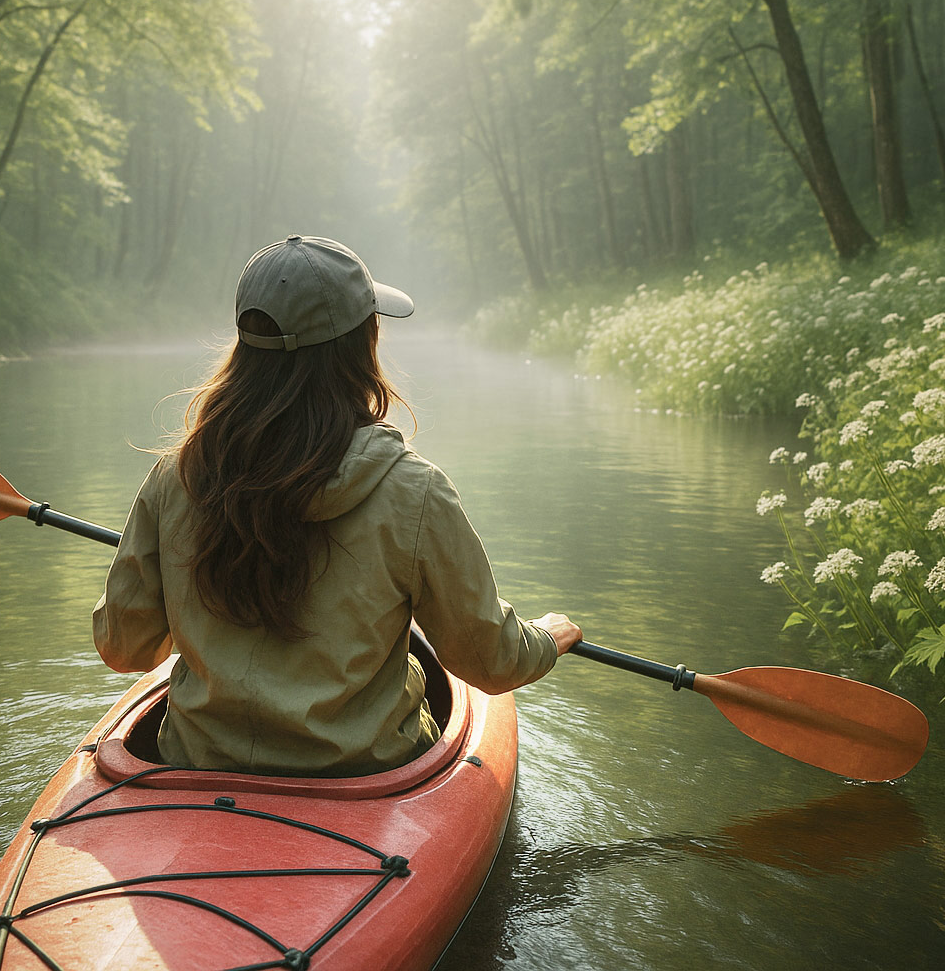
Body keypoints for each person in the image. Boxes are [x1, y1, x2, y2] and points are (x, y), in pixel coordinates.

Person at [92, 234, 582, 777]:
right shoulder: (414, 492)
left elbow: (124, 647)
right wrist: (549, 637)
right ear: (362, 344)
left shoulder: (176, 478)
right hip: (364, 773)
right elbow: (491, 662)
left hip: (198, 762)